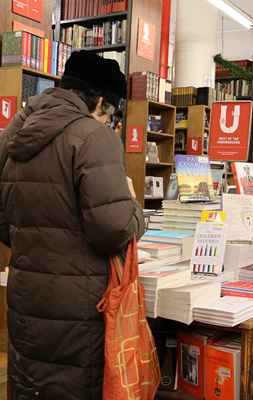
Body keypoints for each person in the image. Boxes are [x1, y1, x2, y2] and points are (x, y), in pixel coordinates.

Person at [0, 51, 145, 399]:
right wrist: (134, 209)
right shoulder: (94, 138)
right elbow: (113, 230)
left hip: (25, 297)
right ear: (98, 101)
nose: (110, 123)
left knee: (30, 384)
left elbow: (4, 225)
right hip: (78, 308)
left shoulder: (11, 136)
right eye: (110, 113)